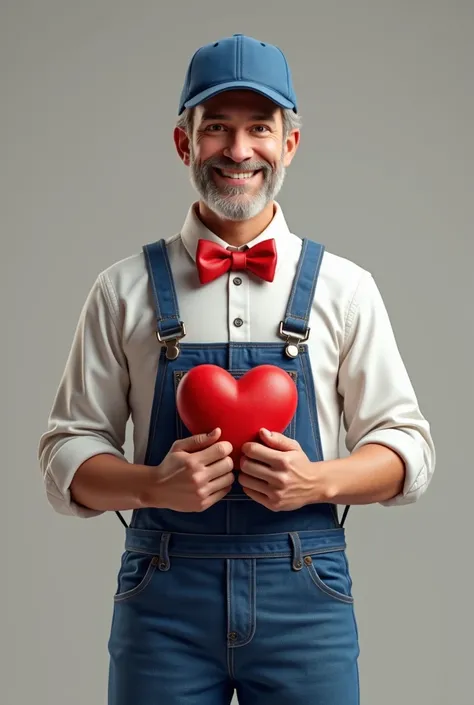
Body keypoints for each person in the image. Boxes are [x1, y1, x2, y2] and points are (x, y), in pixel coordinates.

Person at [38, 33, 435, 705]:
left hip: (305, 595)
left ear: (290, 144)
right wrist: (154, 485)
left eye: (259, 128)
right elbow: (64, 455)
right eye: (217, 128)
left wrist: (315, 480)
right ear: (183, 142)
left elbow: (410, 450)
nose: (239, 150)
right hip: (163, 598)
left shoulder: (346, 287)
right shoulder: (121, 288)